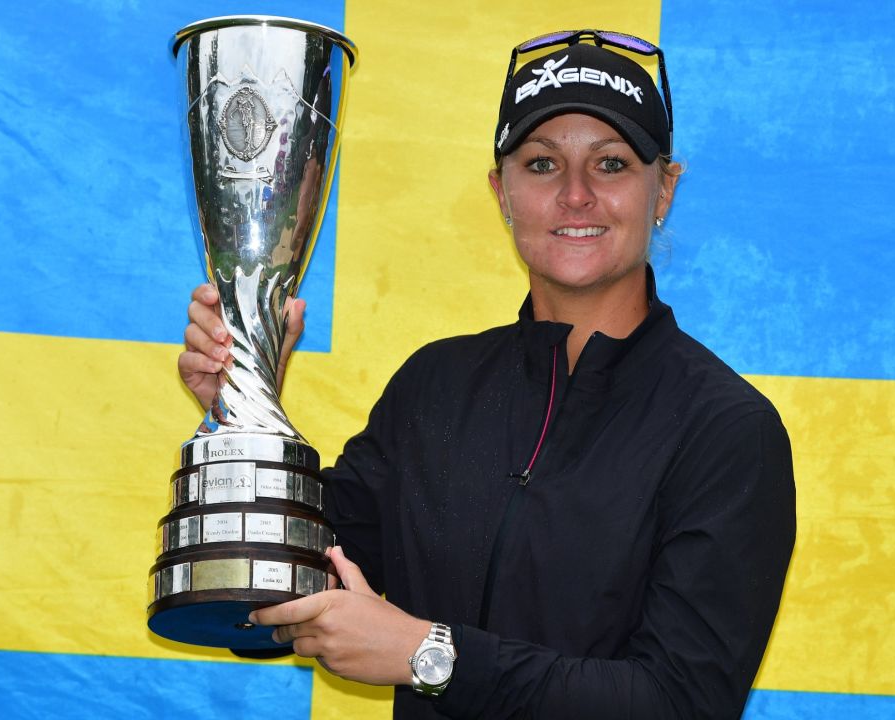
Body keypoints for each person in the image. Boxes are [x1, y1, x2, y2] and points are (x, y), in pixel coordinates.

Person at [179, 30, 795, 720]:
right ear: (502, 193)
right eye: (541, 165)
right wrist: (243, 409)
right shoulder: (434, 387)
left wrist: (429, 654)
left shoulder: (726, 430)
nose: (576, 195)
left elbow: (681, 704)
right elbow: (278, 595)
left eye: (612, 164)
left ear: (664, 190)